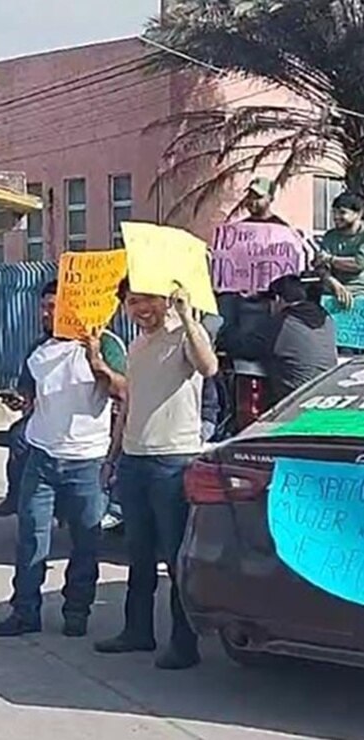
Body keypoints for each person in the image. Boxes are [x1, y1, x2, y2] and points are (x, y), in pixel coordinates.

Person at [0, 279, 126, 638]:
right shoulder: (39, 349)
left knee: (86, 542)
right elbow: (29, 394)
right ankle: (24, 611)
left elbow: (122, 391)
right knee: (31, 538)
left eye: (53, 307)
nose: (46, 314)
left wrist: (95, 359)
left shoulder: (106, 344)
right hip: (42, 457)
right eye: (43, 307)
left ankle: (77, 611)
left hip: (87, 461)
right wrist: (20, 401)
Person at [96, 280, 219, 670]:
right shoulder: (136, 346)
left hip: (173, 462)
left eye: (147, 299)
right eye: (132, 301)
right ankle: (137, 631)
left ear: (165, 299)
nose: (140, 308)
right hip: (134, 460)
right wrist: (112, 456)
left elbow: (209, 367)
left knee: (175, 556)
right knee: (139, 553)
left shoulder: (185, 335)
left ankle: (184, 644)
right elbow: (130, 403)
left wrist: (187, 315)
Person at [221, 274, 339, 409]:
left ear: (277, 299)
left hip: (294, 401)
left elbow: (240, 346)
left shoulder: (282, 323)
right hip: (325, 397)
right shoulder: (326, 318)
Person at [315, 191, 364, 309]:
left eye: (342, 212)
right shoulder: (330, 236)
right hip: (332, 294)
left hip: (360, 294)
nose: (336, 217)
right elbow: (320, 266)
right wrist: (333, 283)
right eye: (334, 212)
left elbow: (358, 264)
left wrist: (330, 259)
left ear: (358, 213)